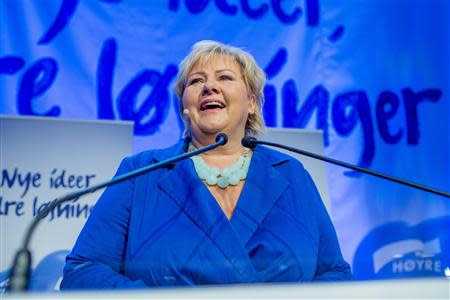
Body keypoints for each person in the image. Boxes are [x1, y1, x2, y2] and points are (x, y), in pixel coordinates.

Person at [60, 40, 352, 289]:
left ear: (251, 102)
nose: (209, 86)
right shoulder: (141, 173)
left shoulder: (291, 174)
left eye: (224, 77)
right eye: (196, 81)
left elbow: (336, 273)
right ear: (184, 106)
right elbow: (83, 272)